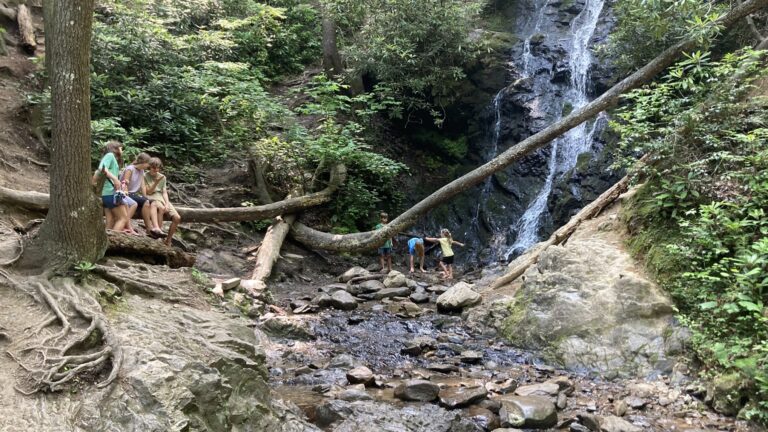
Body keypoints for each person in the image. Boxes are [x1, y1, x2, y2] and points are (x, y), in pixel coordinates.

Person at [91, 140, 132, 233]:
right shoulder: (110, 155)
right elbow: (101, 168)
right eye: (121, 148)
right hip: (110, 193)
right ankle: (110, 243)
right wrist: (115, 179)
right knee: (123, 219)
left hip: (106, 194)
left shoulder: (112, 159)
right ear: (115, 148)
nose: (122, 150)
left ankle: (104, 243)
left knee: (111, 220)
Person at [144, 157, 181, 246]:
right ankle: (157, 232)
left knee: (177, 218)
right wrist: (156, 182)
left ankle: (168, 240)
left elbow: (164, 192)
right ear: (149, 167)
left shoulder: (162, 177)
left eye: (157, 168)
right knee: (160, 207)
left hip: (162, 198)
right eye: (153, 168)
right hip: (152, 197)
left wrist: (167, 204)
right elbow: (149, 191)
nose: (156, 170)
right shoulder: (145, 176)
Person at [121, 152, 153, 235]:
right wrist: (126, 195)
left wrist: (145, 196)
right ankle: (148, 229)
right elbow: (125, 183)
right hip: (124, 192)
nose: (148, 166)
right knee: (145, 202)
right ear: (143, 162)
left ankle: (149, 229)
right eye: (147, 164)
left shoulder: (142, 171)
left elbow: (142, 185)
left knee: (146, 201)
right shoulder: (130, 169)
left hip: (133, 194)